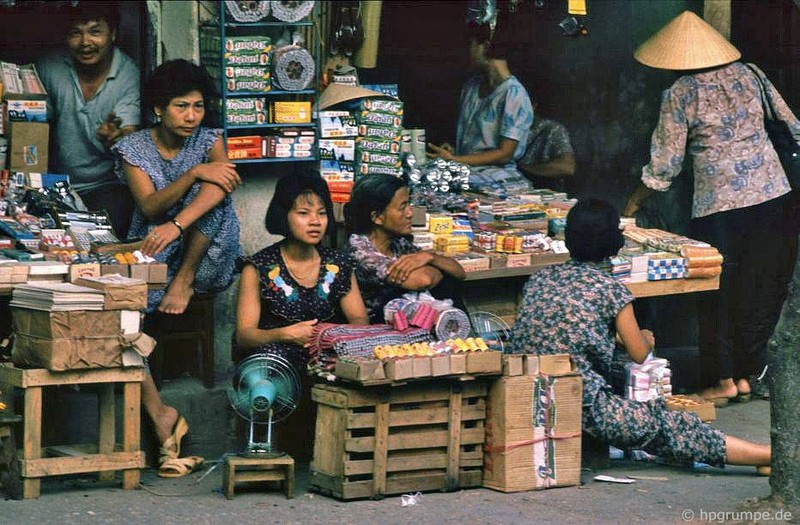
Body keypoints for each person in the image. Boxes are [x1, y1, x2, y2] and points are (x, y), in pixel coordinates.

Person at [508, 199, 771, 473]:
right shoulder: (611, 289)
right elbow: (639, 353)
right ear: (614, 242)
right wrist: (645, 336)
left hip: (524, 391)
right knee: (669, 425)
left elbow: (565, 331)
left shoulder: (539, 278)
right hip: (577, 402)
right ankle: (765, 455)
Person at [623, 11, 799, 405]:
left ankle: (721, 380)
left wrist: (634, 201)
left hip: (719, 207)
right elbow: (791, 125)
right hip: (772, 198)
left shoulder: (681, 92)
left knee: (715, 290)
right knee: (757, 289)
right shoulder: (751, 74)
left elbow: (664, 165)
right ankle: (745, 375)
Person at [113, 59, 243, 478]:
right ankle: (161, 414)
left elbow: (215, 191)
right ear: (158, 109)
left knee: (217, 200)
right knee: (120, 322)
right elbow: (149, 206)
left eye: (199, 106)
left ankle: (183, 281)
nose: (191, 116)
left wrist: (177, 224)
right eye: (181, 106)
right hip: (154, 248)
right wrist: (193, 173)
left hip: (205, 254)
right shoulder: (133, 149)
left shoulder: (211, 139)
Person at [234, 171, 369, 456]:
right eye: (304, 213)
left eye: (322, 213)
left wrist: (328, 336)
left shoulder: (338, 263)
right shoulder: (258, 267)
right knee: (273, 362)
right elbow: (244, 335)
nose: (316, 221)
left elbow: (359, 321)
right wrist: (286, 334)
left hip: (326, 354)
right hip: (278, 360)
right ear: (284, 215)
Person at [37, 1, 140, 239]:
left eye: (95, 31)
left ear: (112, 33)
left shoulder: (128, 75)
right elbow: (34, 125)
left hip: (107, 186)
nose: (85, 43)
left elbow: (131, 134)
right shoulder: (49, 67)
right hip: (54, 182)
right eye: (76, 33)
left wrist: (118, 137)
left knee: (104, 245)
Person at [426, 21, 534, 196]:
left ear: (485, 47)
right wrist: (456, 153)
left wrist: (456, 159)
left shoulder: (514, 94)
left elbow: (505, 153)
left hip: (497, 175)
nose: (465, 52)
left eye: (470, 45)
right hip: (467, 169)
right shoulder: (472, 86)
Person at [344, 174, 467, 324]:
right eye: (402, 208)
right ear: (377, 217)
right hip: (379, 329)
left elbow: (459, 272)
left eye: (409, 205)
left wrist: (430, 258)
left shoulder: (397, 242)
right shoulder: (362, 251)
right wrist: (431, 263)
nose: (410, 213)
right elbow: (423, 280)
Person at [517, 99, 576, 192]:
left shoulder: (552, 129)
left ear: (533, 106)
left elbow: (567, 167)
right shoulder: (510, 130)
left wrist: (522, 169)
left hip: (542, 192)